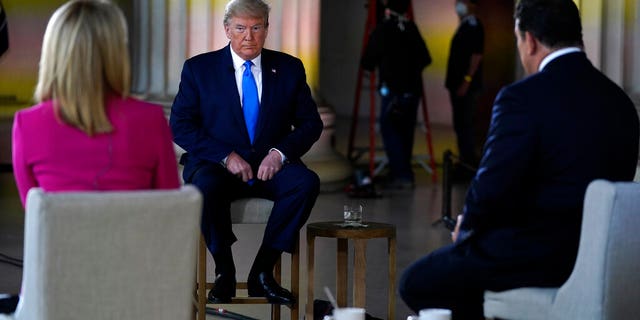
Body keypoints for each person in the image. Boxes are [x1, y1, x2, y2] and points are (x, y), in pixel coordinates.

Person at [399, 0, 640, 318]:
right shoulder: (621, 103)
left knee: (416, 282)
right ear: (576, 37)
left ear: (529, 40)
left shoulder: (522, 98)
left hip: (536, 258)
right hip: (607, 257)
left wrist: (466, 228)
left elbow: (491, 189)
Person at [170, 0, 322, 305]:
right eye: (240, 28)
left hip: (270, 166)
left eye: (256, 28)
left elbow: (310, 124)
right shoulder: (199, 69)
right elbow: (181, 125)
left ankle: (263, 271)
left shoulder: (289, 68)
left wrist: (279, 153)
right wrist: (226, 155)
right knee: (203, 187)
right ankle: (224, 269)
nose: (248, 36)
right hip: (217, 166)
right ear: (227, 30)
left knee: (306, 182)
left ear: (267, 29)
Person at [12, 0, 180, 208]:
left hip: (61, 241)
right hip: (133, 240)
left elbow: (37, 216)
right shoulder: (151, 119)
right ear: (117, 53)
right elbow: (171, 211)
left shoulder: (27, 124)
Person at [361, 0, 431, 189]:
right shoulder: (411, 28)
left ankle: (401, 175)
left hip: (392, 92)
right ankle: (402, 172)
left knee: (390, 130)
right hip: (412, 91)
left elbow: (367, 62)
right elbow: (426, 58)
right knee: (406, 133)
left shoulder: (383, 29)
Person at [445, 0, 484, 178]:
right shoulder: (464, 25)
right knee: (460, 126)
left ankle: (468, 166)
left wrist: (466, 81)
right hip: (457, 85)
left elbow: (476, 56)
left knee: (465, 126)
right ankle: (464, 162)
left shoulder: (474, 26)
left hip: (466, 87)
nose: (457, 5)